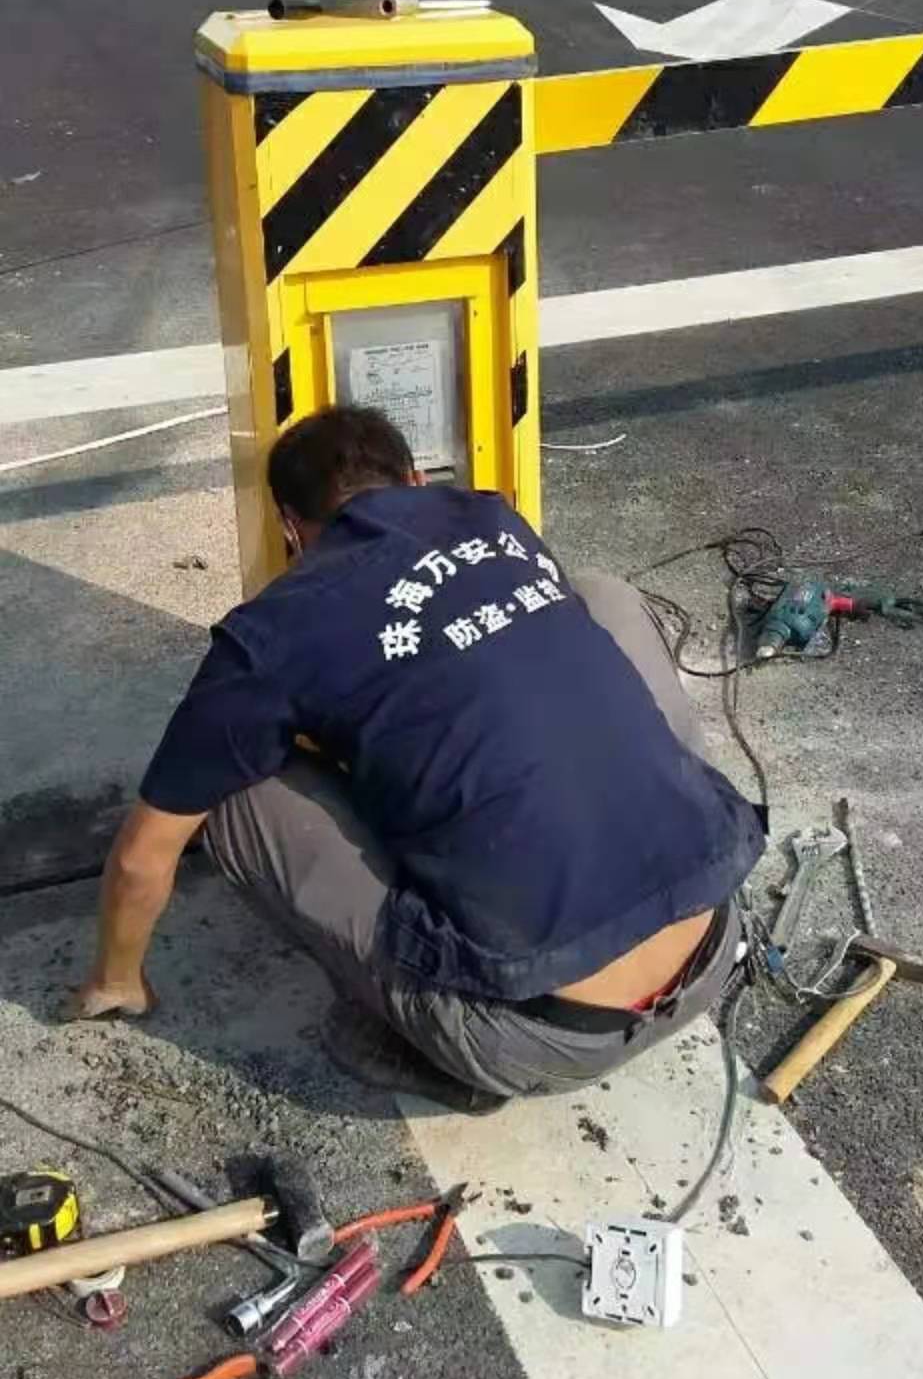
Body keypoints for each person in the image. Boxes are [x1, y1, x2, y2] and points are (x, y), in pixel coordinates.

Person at [69, 407, 765, 1112]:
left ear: (289, 526)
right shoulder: (494, 522)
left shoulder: (273, 630)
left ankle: (439, 1051)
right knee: (602, 597)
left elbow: (142, 856)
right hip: (713, 942)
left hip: (543, 1039)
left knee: (231, 795)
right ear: (415, 478)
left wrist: (115, 979)